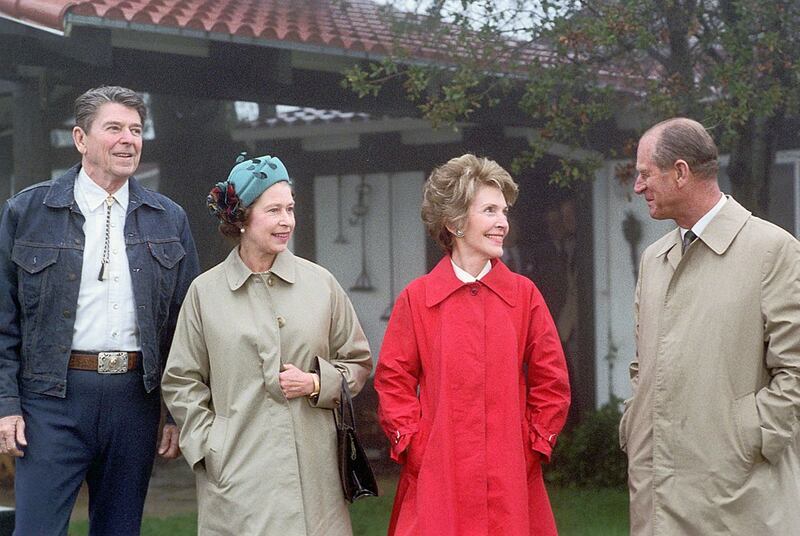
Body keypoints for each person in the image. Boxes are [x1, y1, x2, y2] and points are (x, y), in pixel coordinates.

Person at [0, 85, 200, 534]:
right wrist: (6, 403)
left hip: (135, 401)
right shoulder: (26, 212)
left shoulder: (169, 219)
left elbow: (184, 328)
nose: (128, 139)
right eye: (114, 128)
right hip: (49, 401)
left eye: (135, 129)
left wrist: (175, 412)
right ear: (80, 139)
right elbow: (3, 320)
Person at [161, 153, 372, 535]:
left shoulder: (321, 284)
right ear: (241, 218)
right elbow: (181, 381)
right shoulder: (204, 293)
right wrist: (211, 447)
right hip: (236, 472)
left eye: (290, 208)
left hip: (315, 473)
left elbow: (357, 362)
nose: (287, 220)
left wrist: (316, 383)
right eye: (273, 210)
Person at [374, 153, 571, 536]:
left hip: (510, 478)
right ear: (454, 221)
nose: (503, 223)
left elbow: (552, 381)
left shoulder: (524, 295)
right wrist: (415, 447)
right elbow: (392, 380)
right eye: (490, 211)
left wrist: (533, 446)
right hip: (438, 477)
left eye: (504, 211)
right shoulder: (418, 298)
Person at [620, 117, 800, 534]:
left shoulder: (773, 251)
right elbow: (642, 365)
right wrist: (635, 421)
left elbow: (795, 372)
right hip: (655, 498)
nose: (638, 187)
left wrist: (748, 437)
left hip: (737, 497)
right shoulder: (654, 259)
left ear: (680, 172)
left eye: (645, 174)